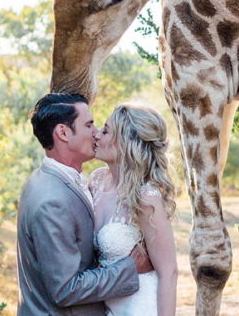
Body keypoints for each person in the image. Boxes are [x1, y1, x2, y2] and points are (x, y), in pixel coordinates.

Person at [18, 93, 151, 316]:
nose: (96, 132)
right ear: (63, 133)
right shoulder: (53, 200)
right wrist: (129, 268)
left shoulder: (54, 180)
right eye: (89, 124)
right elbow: (65, 289)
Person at [90, 103, 178, 316]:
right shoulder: (96, 181)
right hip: (106, 307)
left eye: (105, 130)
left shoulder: (146, 198)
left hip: (141, 307)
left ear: (125, 142)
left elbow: (169, 273)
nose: (96, 135)